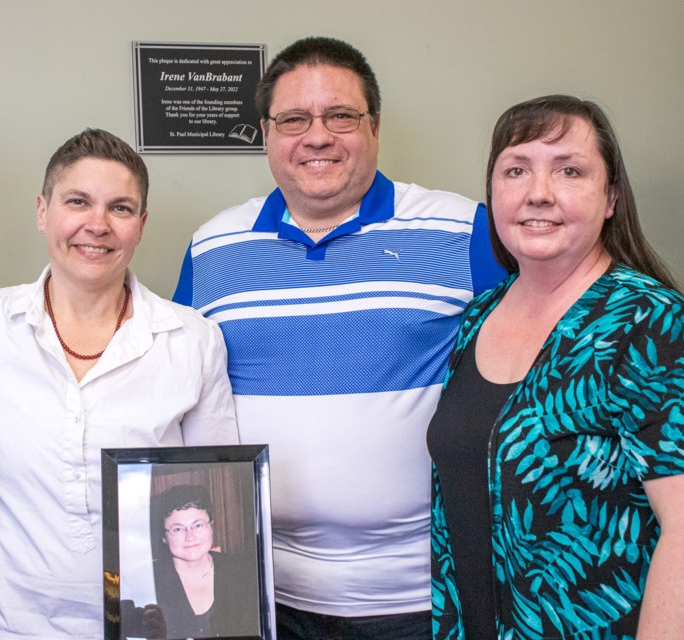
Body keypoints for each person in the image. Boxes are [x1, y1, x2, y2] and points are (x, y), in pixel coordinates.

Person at [173, 36, 505, 638]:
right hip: (266, 595)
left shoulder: (465, 230)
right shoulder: (212, 247)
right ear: (267, 133)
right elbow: (172, 393)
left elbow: (536, 377)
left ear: (374, 127)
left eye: (341, 116)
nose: (317, 136)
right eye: (293, 119)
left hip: (424, 592)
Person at [427, 95, 684, 639]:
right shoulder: (480, 315)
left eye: (569, 170)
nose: (538, 194)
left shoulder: (649, 322)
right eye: (516, 170)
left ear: (611, 197)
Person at [0, 128, 240, 639]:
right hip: (12, 623)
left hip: (155, 625)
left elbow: (220, 489)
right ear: (43, 211)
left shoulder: (193, 340)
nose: (97, 225)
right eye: (78, 201)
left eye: (121, 208)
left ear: (141, 224)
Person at [143, 484, 259, 639]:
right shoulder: (147, 581)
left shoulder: (245, 573)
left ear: (211, 526)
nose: (190, 537)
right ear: (164, 537)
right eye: (178, 529)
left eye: (198, 525)